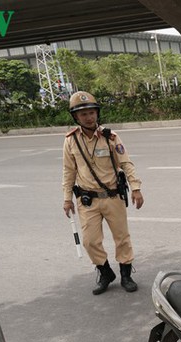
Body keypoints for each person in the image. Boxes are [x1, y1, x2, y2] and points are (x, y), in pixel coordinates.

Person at [62, 91, 145, 295]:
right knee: (90, 241)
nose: (88, 117)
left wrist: (136, 188)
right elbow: (68, 171)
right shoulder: (71, 141)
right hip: (87, 200)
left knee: (122, 237)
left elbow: (125, 163)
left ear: (97, 113)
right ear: (76, 117)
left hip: (112, 197)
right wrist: (66, 199)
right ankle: (105, 272)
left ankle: (126, 274)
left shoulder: (111, 137)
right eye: (83, 114)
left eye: (91, 112)